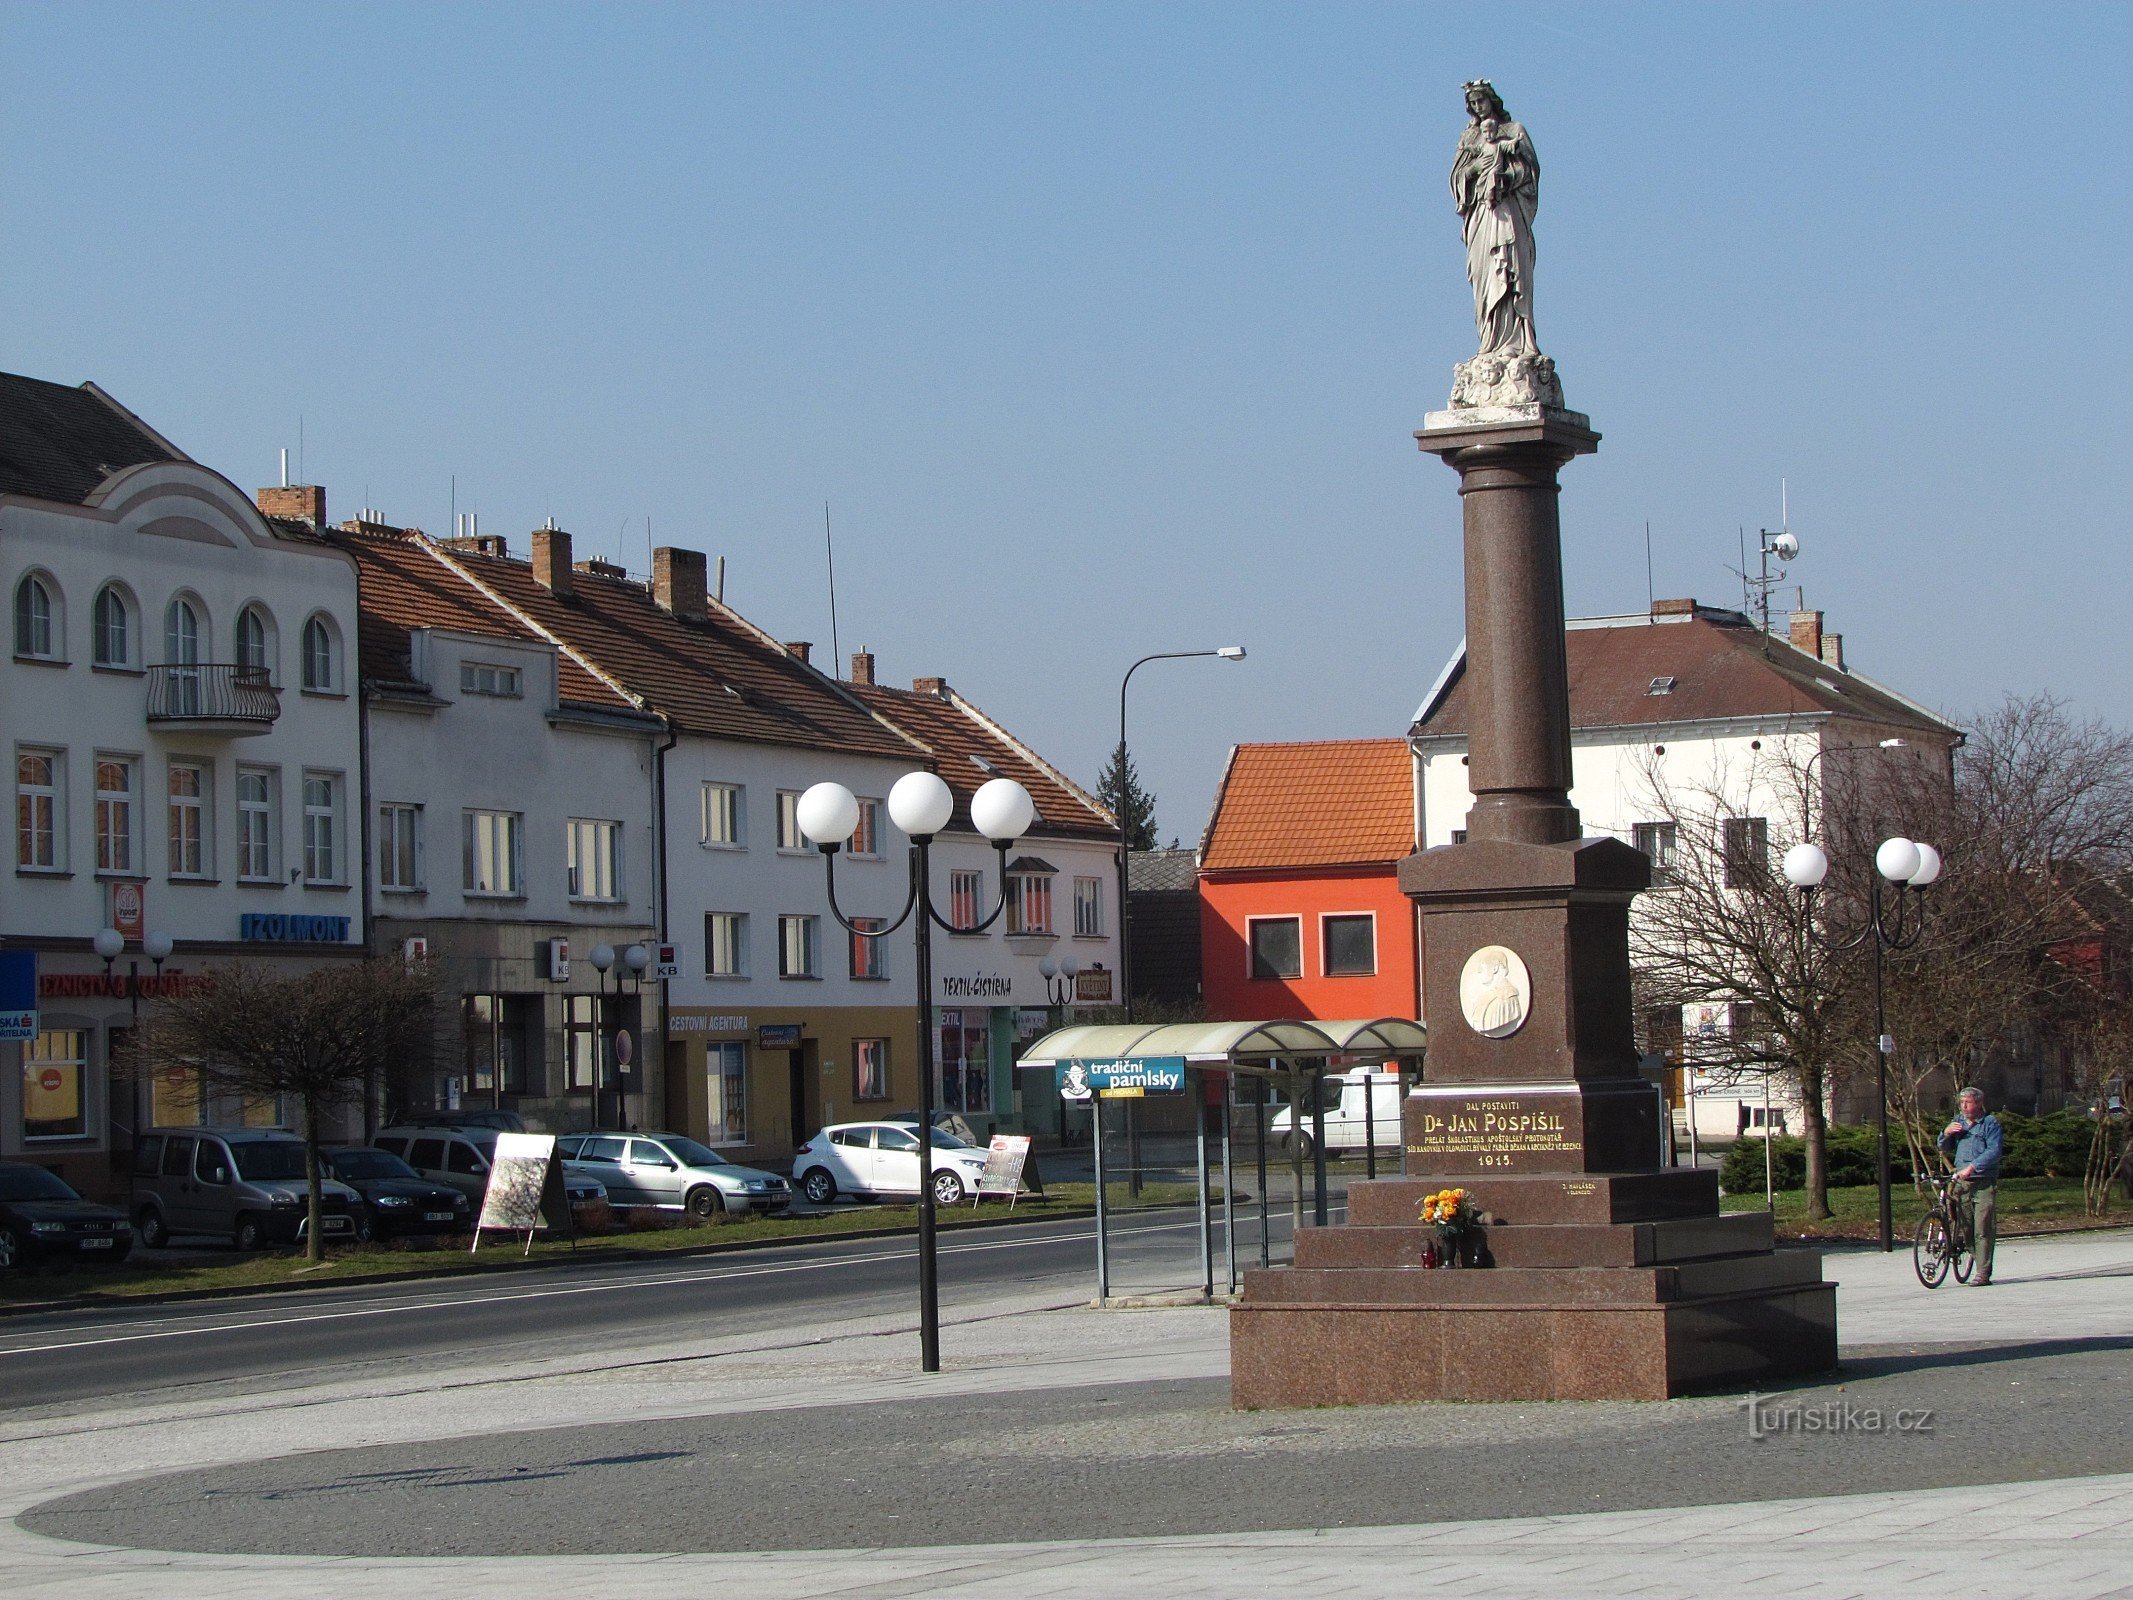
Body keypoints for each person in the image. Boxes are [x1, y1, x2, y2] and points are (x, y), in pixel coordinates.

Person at [1449, 80, 1540, 359]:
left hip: (1507, 212)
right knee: (1484, 274)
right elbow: (1457, 178)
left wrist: (1507, 178)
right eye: (1473, 104)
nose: (1478, 108)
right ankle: (1489, 341)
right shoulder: (1469, 139)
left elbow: (1531, 171)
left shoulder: (1514, 132)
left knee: (1511, 272)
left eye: (1481, 102)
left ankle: (1518, 342)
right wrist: (1475, 169)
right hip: (1481, 216)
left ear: (1492, 100)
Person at [1939, 1087, 2003, 1285]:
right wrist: (1945, 1134)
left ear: (1978, 1103)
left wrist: (1973, 1167)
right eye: (1961, 1103)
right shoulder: (1958, 1122)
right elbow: (1943, 1147)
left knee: (1982, 1229)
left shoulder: (1989, 1124)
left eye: (1968, 1102)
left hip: (1983, 1182)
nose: (1964, 1106)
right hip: (1962, 1184)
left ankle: (1983, 1273)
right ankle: (1975, 1258)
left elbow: (1994, 1151)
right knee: (1966, 1228)